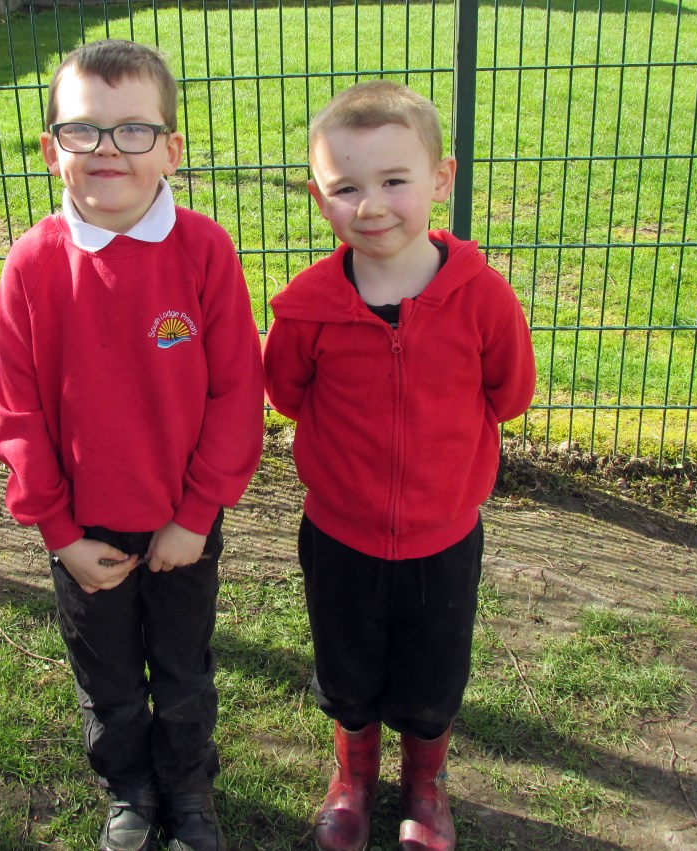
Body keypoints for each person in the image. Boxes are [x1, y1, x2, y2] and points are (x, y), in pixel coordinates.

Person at [0, 39, 264, 851]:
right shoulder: (32, 264)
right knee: (106, 676)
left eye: (134, 129)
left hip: (183, 526)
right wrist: (58, 532)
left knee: (182, 670)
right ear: (52, 150)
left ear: (171, 148)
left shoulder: (204, 251)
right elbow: (14, 409)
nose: (108, 149)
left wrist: (196, 515)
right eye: (84, 130)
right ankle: (130, 790)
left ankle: (187, 788)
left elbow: (236, 394)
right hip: (80, 529)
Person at [263, 80, 536, 851]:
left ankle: (425, 781)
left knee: (432, 676)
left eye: (394, 181)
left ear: (441, 179)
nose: (371, 206)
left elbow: (510, 392)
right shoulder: (306, 307)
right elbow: (286, 392)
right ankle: (353, 777)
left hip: (443, 537)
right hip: (339, 535)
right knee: (346, 671)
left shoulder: (482, 297)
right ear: (319, 199)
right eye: (346, 187)